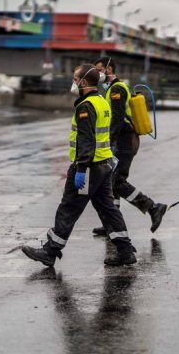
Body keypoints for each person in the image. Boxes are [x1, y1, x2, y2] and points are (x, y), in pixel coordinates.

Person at [22, 64, 137, 267]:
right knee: (108, 209)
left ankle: (50, 250)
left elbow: (86, 140)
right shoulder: (101, 101)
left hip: (89, 167)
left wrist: (81, 169)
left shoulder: (85, 106)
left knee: (69, 207)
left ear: (83, 82)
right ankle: (125, 251)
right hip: (104, 164)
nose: (73, 82)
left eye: (75, 79)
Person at [91, 57, 167, 235]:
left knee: (117, 181)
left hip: (125, 140)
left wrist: (109, 142)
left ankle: (153, 207)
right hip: (121, 140)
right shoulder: (111, 89)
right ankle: (111, 223)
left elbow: (117, 119)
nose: (97, 74)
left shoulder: (117, 89)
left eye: (99, 70)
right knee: (110, 182)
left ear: (109, 69)